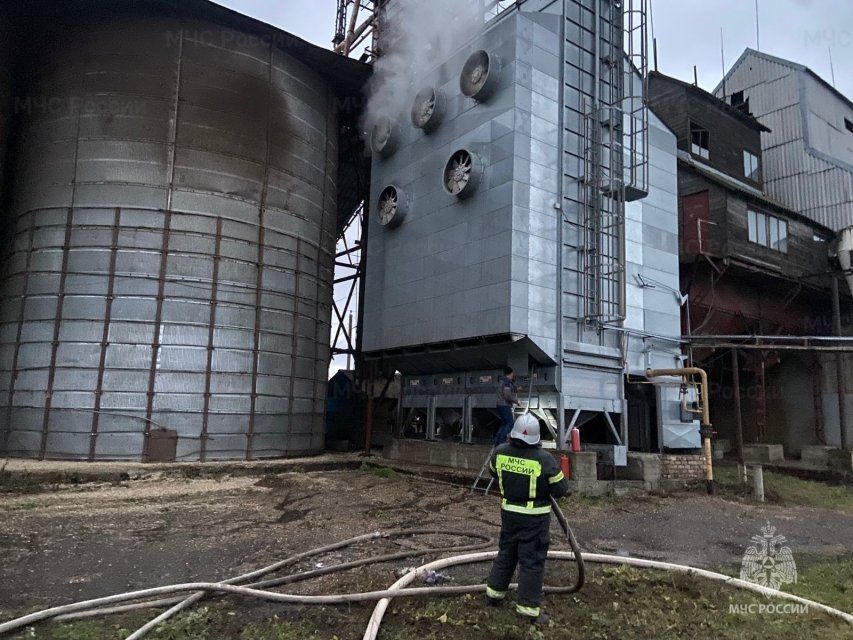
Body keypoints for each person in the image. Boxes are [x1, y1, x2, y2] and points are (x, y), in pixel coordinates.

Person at [485, 413, 570, 624]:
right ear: (536, 438)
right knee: (531, 561)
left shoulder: (500, 453)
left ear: (512, 434)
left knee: (507, 552)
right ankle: (528, 609)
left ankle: (494, 594)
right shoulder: (544, 459)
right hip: (534, 518)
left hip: (509, 513)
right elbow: (560, 488)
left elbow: (493, 472)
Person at [494, 367, 519, 445]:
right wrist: (516, 401)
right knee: (510, 423)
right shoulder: (506, 382)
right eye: (512, 374)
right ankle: (502, 441)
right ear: (511, 373)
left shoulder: (502, 381)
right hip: (505, 405)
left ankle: (497, 441)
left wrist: (515, 389)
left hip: (499, 404)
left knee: (504, 423)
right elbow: (507, 395)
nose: (513, 375)